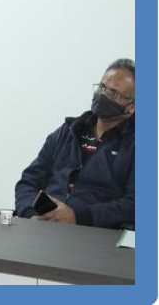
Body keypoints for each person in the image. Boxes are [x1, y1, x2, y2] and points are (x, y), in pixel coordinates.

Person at [15, 58, 135, 229]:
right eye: (102, 88)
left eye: (114, 94)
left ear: (132, 106)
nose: (103, 96)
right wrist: (30, 214)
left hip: (96, 234)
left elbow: (133, 205)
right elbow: (28, 182)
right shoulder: (68, 131)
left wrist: (77, 216)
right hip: (44, 228)